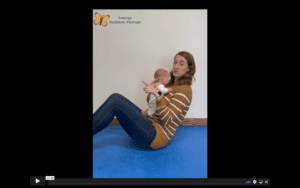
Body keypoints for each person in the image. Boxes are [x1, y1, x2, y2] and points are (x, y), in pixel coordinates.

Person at [93, 51, 196, 150]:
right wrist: (151, 93)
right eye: (175, 62)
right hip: (149, 123)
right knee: (116, 97)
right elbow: (153, 107)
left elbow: (167, 119)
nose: (176, 66)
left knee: (116, 103)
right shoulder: (170, 84)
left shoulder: (185, 90)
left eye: (181, 64)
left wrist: (157, 94)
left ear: (188, 69)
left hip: (155, 136)